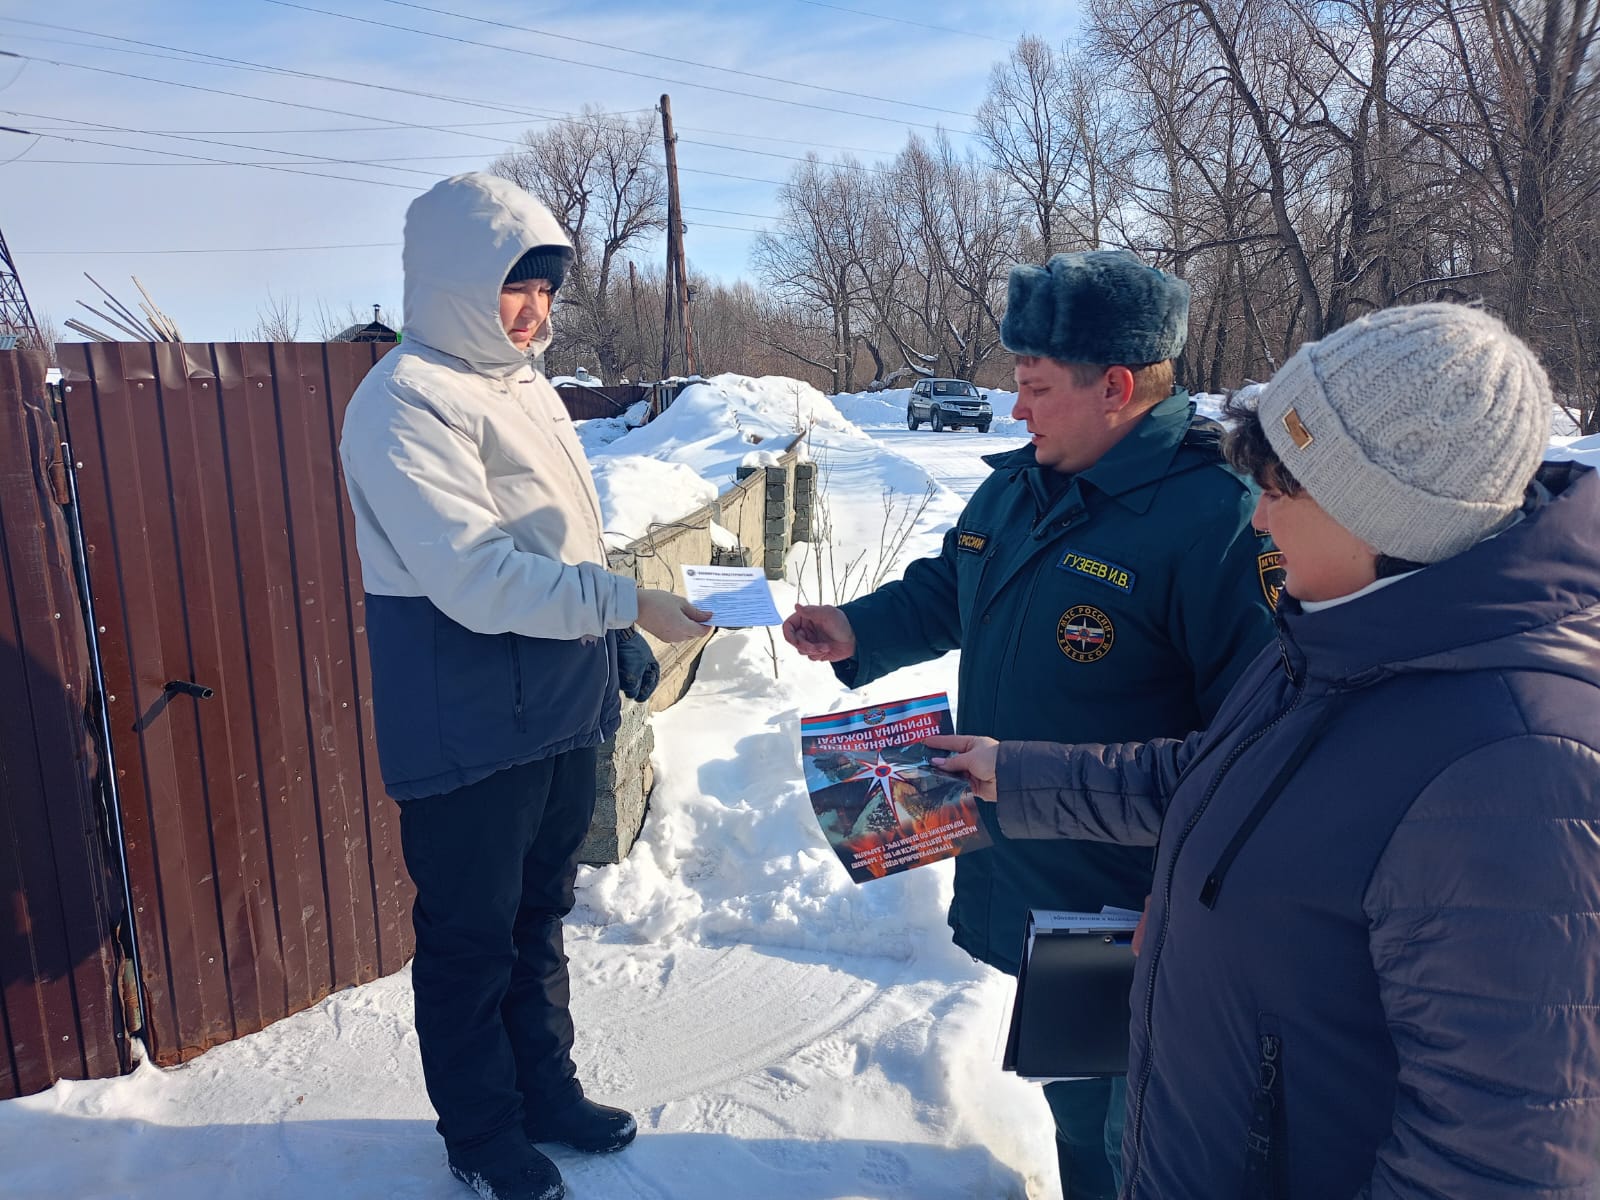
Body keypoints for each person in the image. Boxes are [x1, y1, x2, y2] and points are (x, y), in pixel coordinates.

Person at [929, 302, 1600, 1197]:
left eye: (1281, 491)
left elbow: (1501, 1163)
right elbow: (1218, 782)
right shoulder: (1340, 641)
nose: (1257, 524)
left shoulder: (1519, 766)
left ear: (1383, 515)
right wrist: (1014, 773)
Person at [783, 250, 1278, 1198]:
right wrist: (858, 628)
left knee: (1147, 1127)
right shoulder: (1022, 484)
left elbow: (1251, 746)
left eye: (1036, 388)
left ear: (1118, 388)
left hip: (1136, 905)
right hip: (1034, 875)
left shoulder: (1217, 519)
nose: (1017, 409)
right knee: (1081, 1106)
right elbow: (954, 583)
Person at [340, 172, 709, 1200]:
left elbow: (558, 542)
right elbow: (473, 576)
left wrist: (608, 645)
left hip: (553, 709)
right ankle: (481, 1134)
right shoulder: (404, 402)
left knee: (539, 920)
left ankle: (545, 1094)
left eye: (547, 290)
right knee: (469, 940)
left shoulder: (522, 385)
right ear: (456, 281)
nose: (534, 311)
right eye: (515, 287)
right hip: (466, 726)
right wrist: (626, 606)